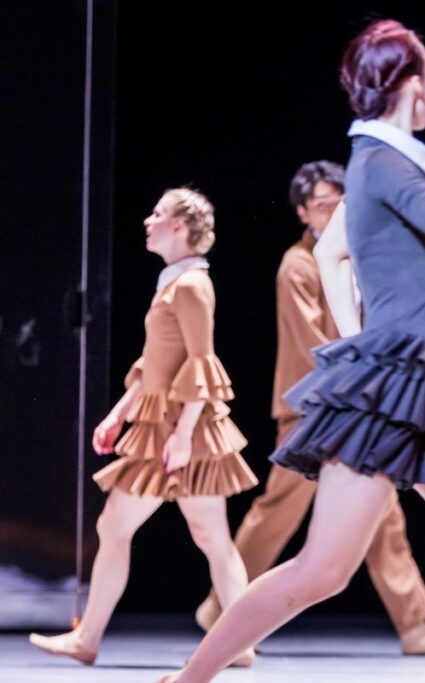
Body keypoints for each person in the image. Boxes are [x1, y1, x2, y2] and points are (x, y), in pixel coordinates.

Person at [158, 19, 425, 683]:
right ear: (411, 84)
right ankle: (191, 677)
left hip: (420, 384)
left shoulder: (386, 160)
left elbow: (351, 251)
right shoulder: (382, 163)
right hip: (392, 387)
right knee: (322, 570)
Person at [193, 161, 425, 655]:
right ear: (304, 212)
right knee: (279, 510)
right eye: (322, 204)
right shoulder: (298, 264)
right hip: (316, 405)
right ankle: (221, 602)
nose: (333, 212)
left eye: (340, 202)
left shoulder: (359, 257)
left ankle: (413, 624)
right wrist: (367, 378)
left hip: (359, 405)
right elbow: (312, 340)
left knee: (384, 514)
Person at [30, 188, 258, 667]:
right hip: (168, 423)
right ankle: (238, 644)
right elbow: (154, 363)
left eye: (158, 213)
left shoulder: (193, 285)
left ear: (180, 227)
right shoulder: (174, 283)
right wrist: (119, 412)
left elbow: (201, 364)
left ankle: (87, 637)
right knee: (210, 537)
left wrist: (181, 435)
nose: (147, 221)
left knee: (121, 526)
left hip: (178, 427)